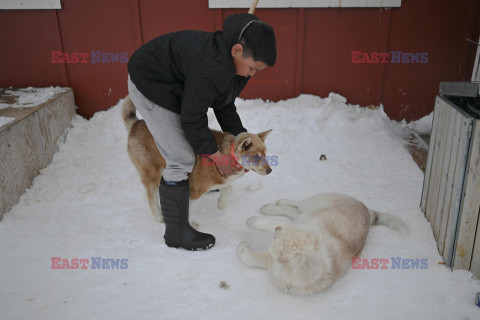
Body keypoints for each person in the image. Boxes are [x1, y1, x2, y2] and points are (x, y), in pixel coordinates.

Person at [127, 13, 277, 251]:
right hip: (151, 84)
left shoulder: (235, 65)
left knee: (190, 140)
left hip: (177, 85)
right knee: (181, 157)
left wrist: (241, 137)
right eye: (251, 68)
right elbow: (192, 117)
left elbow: (224, 103)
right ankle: (177, 232)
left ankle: (188, 190)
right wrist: (214, 155)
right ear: (237, 50)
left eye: (257, 70)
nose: (251, 74)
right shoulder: (212, 69)